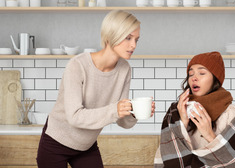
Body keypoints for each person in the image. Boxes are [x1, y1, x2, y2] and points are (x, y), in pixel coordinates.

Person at [37, 10, 155, 168]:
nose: (133, 45)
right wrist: (116, 110)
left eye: (136, 39)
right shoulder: (78, 65)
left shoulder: (124, 69)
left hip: (86, 145)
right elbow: (74, 116)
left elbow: (122, 121)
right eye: (128, 38)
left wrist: (134, 112)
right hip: (56, 143)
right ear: (112, 34)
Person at [154, 51, 235, 168]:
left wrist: (209, 135)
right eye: (191, 74)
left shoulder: (230, 112)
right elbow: (166, 155)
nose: (194, 78)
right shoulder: (177, 110)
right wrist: (183, 123)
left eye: (201, 73)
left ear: (215, 79)